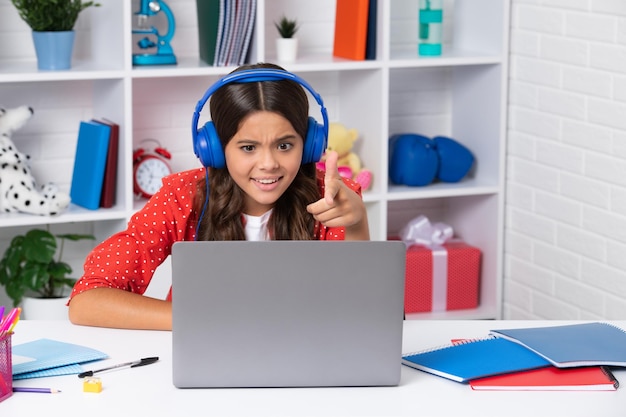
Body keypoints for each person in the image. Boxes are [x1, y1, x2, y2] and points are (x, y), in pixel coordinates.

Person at [68, 63, 369, 330]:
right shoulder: (181, 197)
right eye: (248, 147)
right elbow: (88, 301)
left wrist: (357, 224)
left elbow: (362, 311)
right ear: (214, 148)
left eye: (285, 145)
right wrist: (205, 321)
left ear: (310, 143)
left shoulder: (334, 199)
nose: (268, 164)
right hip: (203, 351)